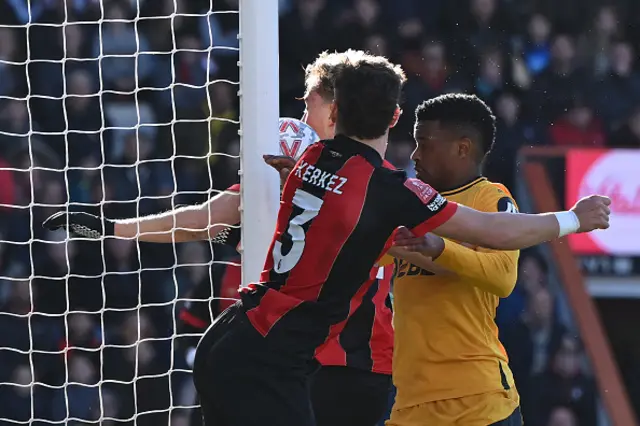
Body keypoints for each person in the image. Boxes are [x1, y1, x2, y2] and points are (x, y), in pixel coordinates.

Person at [47, 50, 610, 426]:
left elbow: (219, 213)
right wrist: (573, 219)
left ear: (335, 110)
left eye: (313, 97)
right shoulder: (382, 186)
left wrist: (114, 227)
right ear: (391, 116)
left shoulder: (304, 158)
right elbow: (222, 212)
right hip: (307, 360)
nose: (302, 106)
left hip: (301, 351)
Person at [44, 51, 396, 426]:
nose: (303, 118)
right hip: (293, 359)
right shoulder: (292, 158)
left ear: (336, 111)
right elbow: (204, 220)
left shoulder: (383, 185)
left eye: (309, 105)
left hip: (352, 366)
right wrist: (113, 228)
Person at [384, 93, 523, 426]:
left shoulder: (491, 198)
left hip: (478, 402)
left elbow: (503, 277)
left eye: (425, 144)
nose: (415, 155)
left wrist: (439, 248)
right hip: (411, 404)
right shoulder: (409, 203)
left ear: (462, 149)